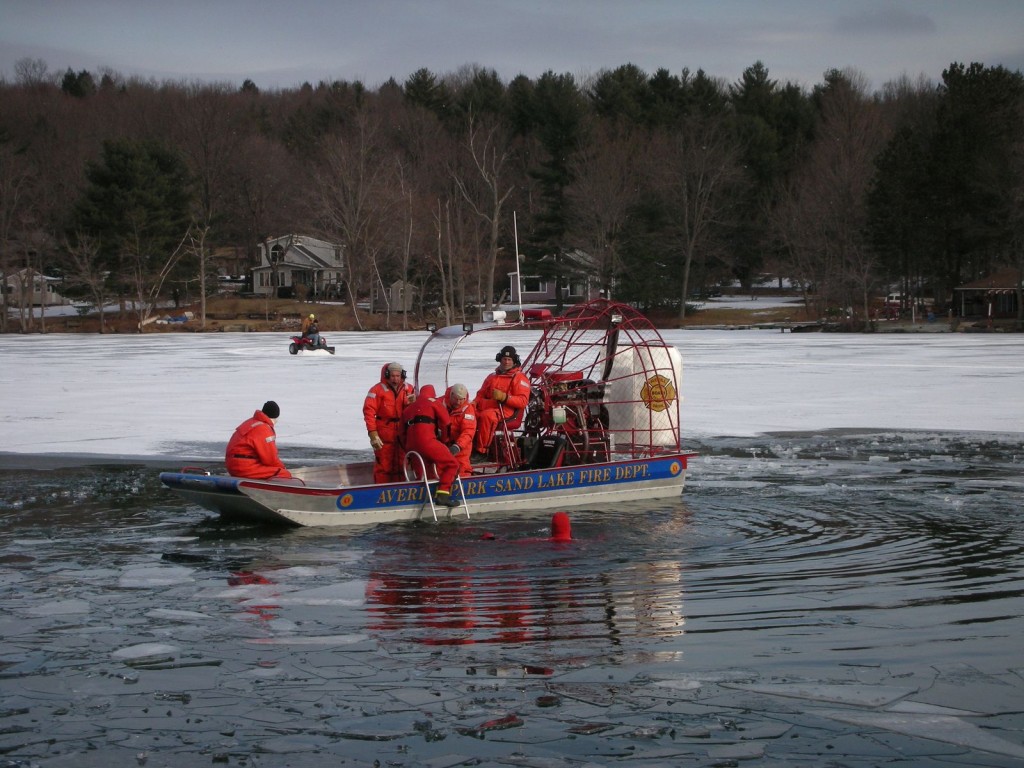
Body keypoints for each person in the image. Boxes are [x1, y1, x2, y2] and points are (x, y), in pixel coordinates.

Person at [401, 385, 460, 507]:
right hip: (427, 441)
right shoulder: (434, 402)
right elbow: (446, 423)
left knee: (423, 472)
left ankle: (421, 499)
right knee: (452, 464)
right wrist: (444, 441)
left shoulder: (408, 408)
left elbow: (401, 433)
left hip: (411, 446)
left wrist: (406, 448)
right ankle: (443, 495)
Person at [473, 344, 531, 458]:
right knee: (468, 414)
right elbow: (481, 394)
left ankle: (482, 451)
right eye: (504, 359)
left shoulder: (519, 378)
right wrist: (474, 403)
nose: (506, 362)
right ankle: (463, 446)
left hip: (507, 412)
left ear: (514, 361)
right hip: (488, 407)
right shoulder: (492, 376)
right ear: (500, 359)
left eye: (509, 359)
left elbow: (523, 401)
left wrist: (505, 398)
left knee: (487, 417)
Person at [363, 362, 415, 484]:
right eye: (392, 376)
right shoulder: (377, 390)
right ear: (387, 375)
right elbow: (369, 412)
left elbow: (417, 410)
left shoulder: (409, 389)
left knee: (403, 462)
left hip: (403, 432)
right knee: (384, 464)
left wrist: (413, 403)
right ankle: (381, 490)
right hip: (384, 433)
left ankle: (401, 490)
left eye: (398, 376)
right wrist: (373, 434)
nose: (395, 379)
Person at [224, 400, 292, 480]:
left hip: (232, 464)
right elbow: (270, 459)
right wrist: (283, 468)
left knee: (271, 470)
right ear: (275, 417)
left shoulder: (251, 422)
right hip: (244, 467)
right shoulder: (264, 429)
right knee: (283, 474)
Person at [444, 383, 477, 478]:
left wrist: (458, 446)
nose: (458, 402)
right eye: (456, 399)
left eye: (461, 399)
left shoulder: (468, 410)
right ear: (451, 395)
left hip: (460, 447)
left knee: (462, 468)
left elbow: (468, 431)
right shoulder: (441, 403)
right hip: (443, 443)